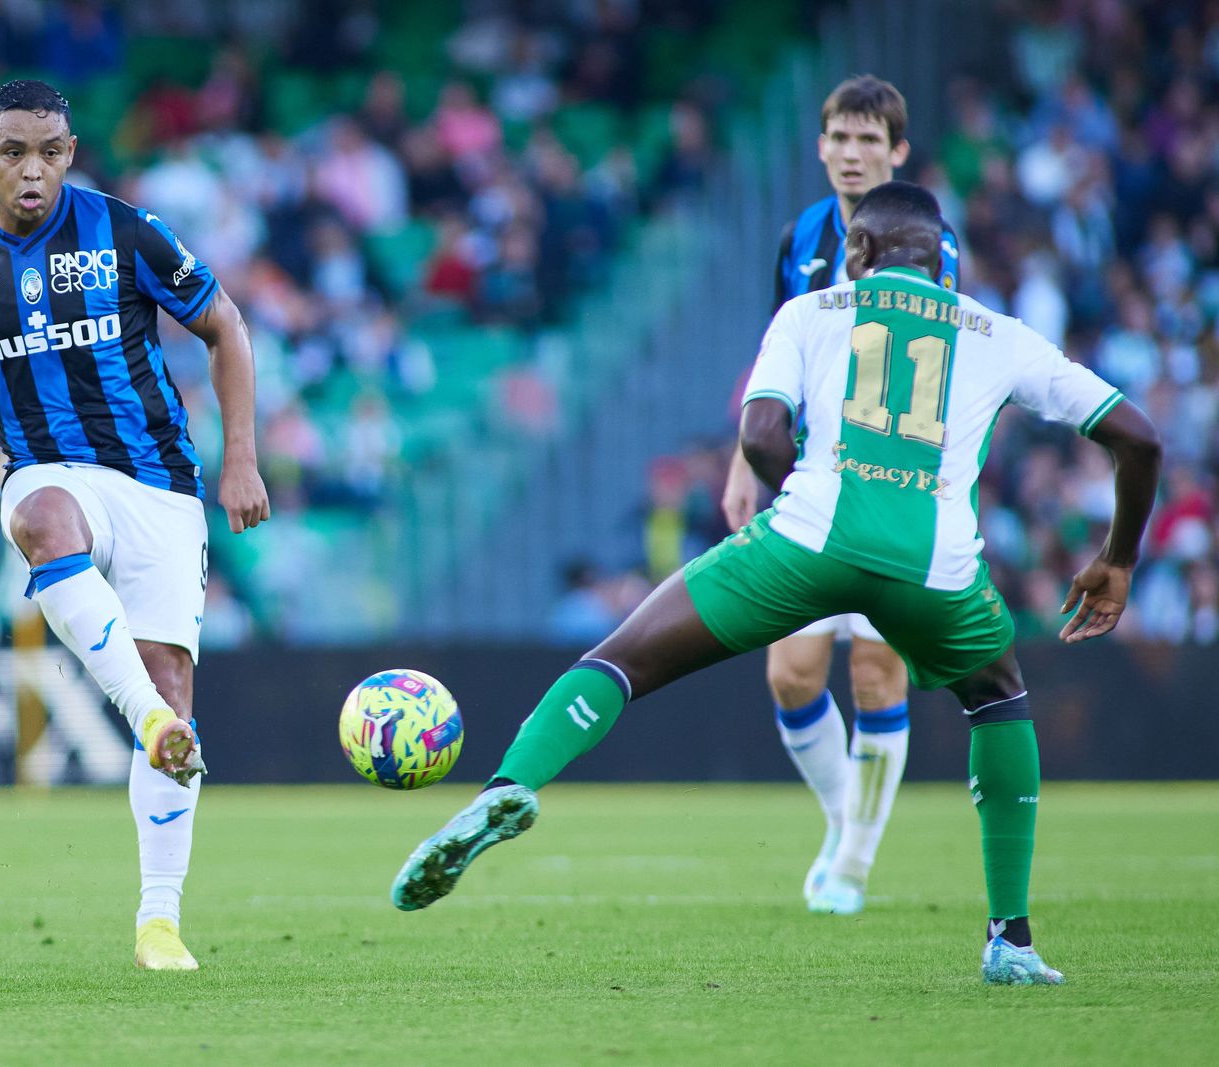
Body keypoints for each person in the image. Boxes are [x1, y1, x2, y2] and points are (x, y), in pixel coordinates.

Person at [392, 182, 1161, 986]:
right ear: (943, 262)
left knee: (626, 658)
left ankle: (509, 784)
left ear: (857, 253)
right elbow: (1137, 439)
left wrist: (812, 490)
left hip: (805, 539)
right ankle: (1011, 938)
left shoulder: (813, 311)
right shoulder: (996, 332)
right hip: (935, 566)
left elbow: (760, 433)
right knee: (998, 695)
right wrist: (1117, 558)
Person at [0, 80, 270, 971]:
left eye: (52, 151)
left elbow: (225, 327)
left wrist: (242, 458)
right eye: (15, 150)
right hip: (51, 471)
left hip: (162, 487)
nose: (35, 169)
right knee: (41, 518)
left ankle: (159, 921)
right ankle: (143, 717)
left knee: (173, 683)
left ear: (71, 152)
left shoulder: (126, 231)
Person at [720, 76, 961, 915]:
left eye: (870, 141)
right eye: (840, 138)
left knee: (876, 664)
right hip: (809, 482)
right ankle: (844, 825)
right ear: (821, 145)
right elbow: (774, 358)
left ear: (898, 153)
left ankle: (852, 864)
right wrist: (742, 464)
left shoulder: (934, 245)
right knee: (789, 673)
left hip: (894, 483)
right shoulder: (800, 237)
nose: (852, 154)